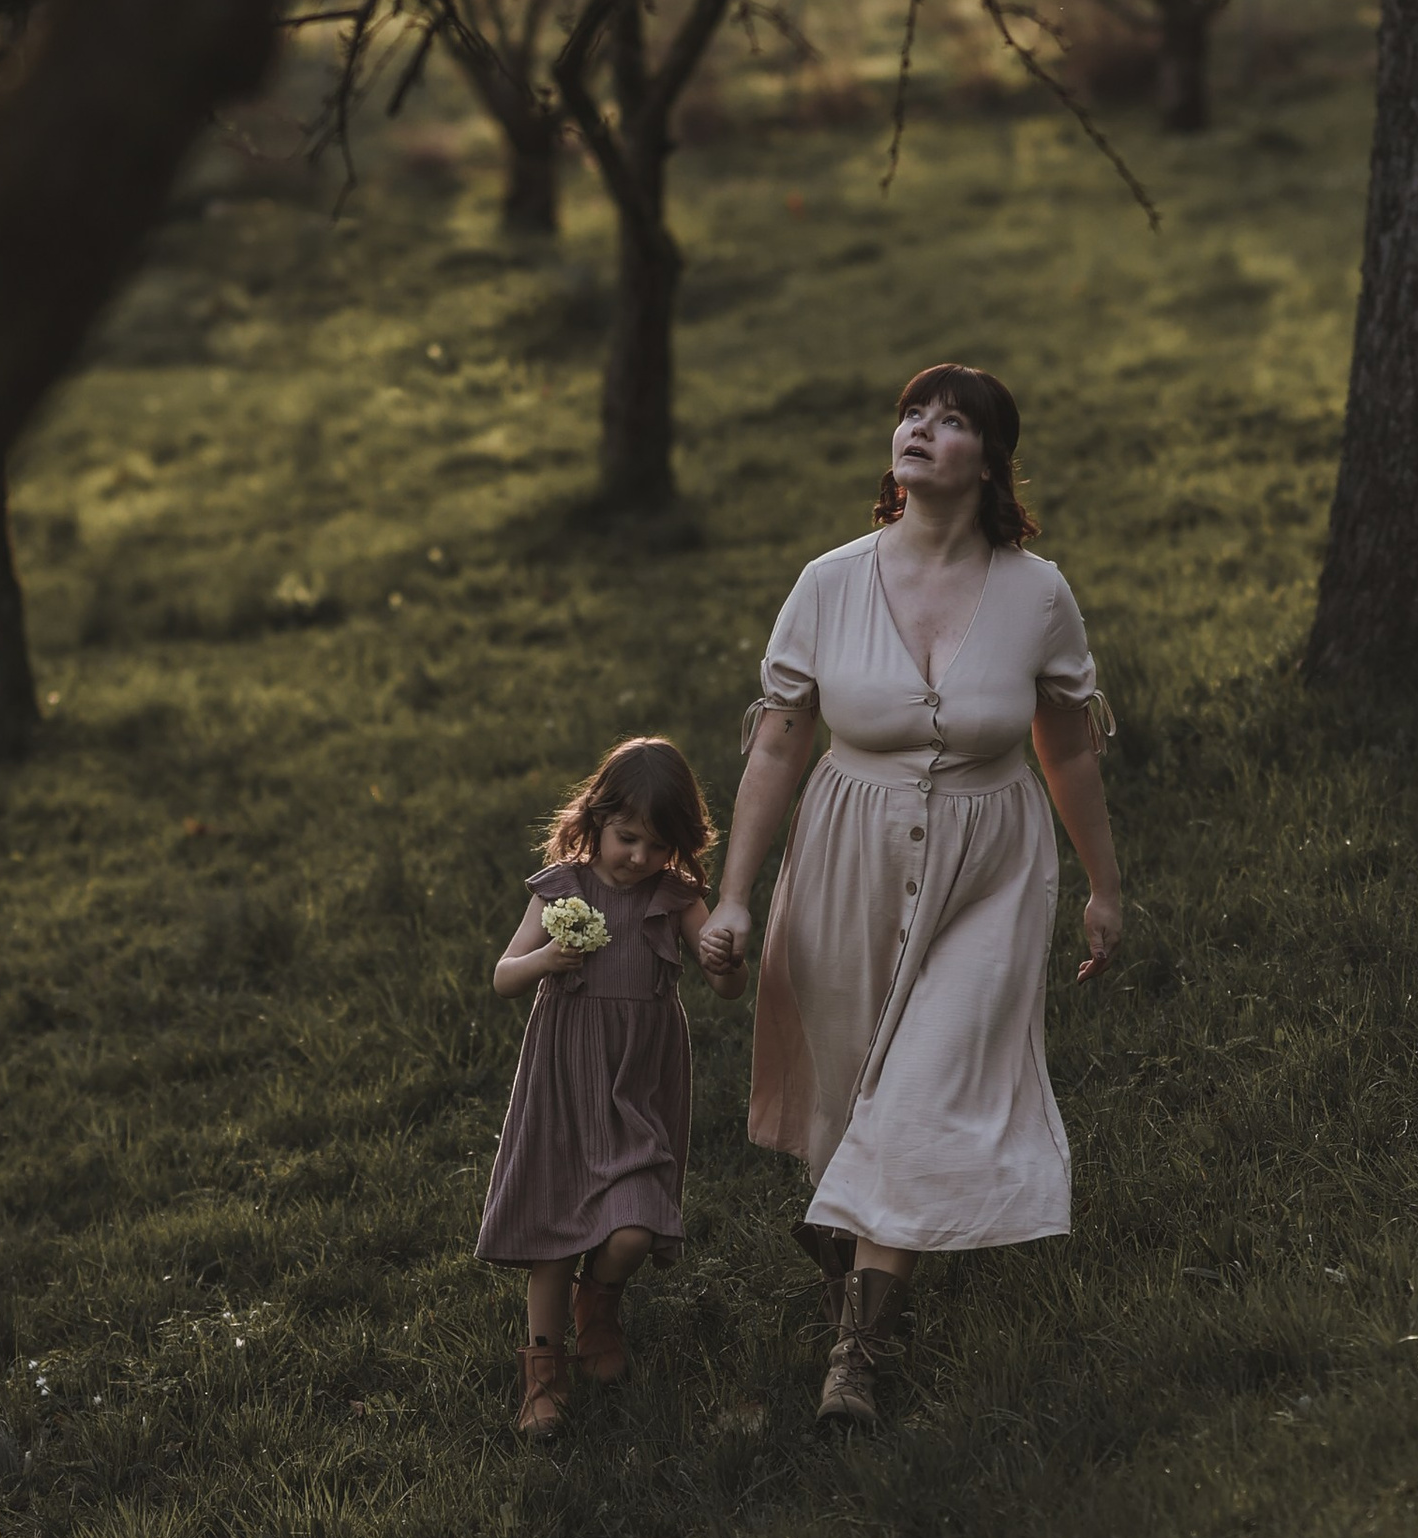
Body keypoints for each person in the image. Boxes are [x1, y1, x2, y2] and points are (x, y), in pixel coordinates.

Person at [698, 364, 1120, 1428]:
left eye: (953, 421)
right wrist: (734, 896)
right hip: (847, 849)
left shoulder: (1037, 593)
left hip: (993, 866)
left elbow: (1066, 749)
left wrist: (1104, 887)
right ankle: (857, 1245)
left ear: (990, 458)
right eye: (912, 414)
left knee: (929, 1085)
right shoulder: (830, 581)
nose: (922, 431)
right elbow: (779, 744)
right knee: (852, 1095)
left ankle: (857, 1355)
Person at [476, 735, 742, 1439]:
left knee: (631, 1229)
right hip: (565, 1080)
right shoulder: (563, 887)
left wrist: (725, 956)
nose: (638, 858)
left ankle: (598, 1302)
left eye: (657, 847)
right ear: (596, 820)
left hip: (637, 1086)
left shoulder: (675, 897)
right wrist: (548, 958)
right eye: (626, 838)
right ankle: (543, 1370)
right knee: (556, 1228)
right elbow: (504, 977)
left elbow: (724, 986)